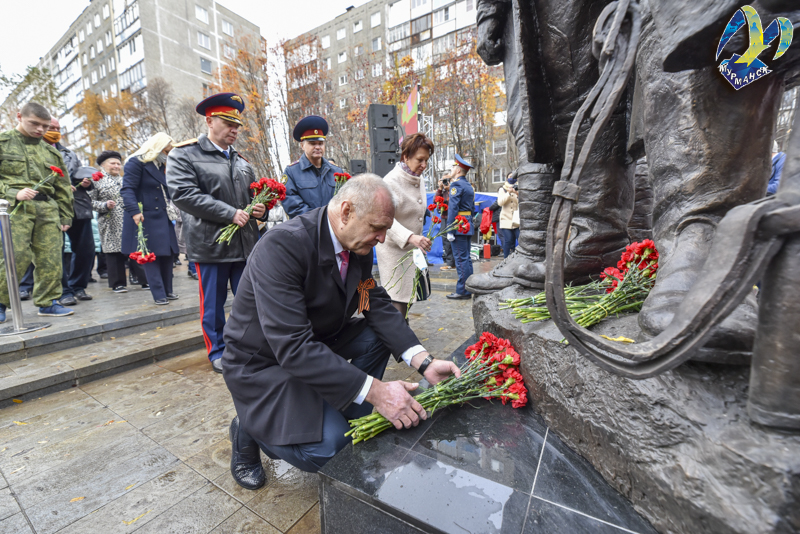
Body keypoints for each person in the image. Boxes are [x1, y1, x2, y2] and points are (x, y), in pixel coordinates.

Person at [222, 174, 460, 489]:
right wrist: (377, 392)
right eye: (377, 228)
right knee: (331, 446)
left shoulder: (357, 243)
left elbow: (377, 304)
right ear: (346, 212)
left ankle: (339, 401)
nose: (381, 239)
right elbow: (293, 347)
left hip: (317, 343)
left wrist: (425, 363)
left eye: (385, 231)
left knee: (378, 336)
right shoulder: (282, 246)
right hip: (264, 363)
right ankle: (251, 426)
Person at [168, 92, 267, 374]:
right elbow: (183, 194)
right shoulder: (184, 154)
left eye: (237, 125)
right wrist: (229, 213)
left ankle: (249, 347)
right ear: (210, 121)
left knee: (250, 300)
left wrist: (262, 209)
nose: (235, 129)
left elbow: (252, 197)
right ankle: (218, 351)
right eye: (228, 123)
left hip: (245, 243)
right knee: (212, 304)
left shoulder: (242, 161)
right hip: (210, 244)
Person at [0, 102, 74, 320]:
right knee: (14, 256)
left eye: (44, 125)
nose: (40, 130)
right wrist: (12, 192)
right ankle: (1, 303)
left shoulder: (52, 153)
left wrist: (65, 215)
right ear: (19, 116)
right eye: (35, 124)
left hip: (47, 209)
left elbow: (62, 187)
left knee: (50, 257)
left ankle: (48, 302)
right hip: (14, 210)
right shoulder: (3, 143)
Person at [375, 133, 434, 317]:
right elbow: (383, 219)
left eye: (427, 160)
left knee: (408, 300)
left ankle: (400, 333)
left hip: (412, 250)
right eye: (420, 160)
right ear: (406, 156)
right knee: (397, 301)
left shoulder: (419, 177)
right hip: (393, 252)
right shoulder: (390, 182)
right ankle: (395, 340)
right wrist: (410, 237)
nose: (424, 165)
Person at [121, 133, 179, 305]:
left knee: (168, 254)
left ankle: (168, 290)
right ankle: (159, 294)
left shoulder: (160, 165)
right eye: (166, 150)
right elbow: (127, 189)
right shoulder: (136, 162)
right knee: (151, 257)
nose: (167, 154)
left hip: (162, 215)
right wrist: (134, 212)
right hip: (144, 216)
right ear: (157, 147)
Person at [90, 150, 145, 292]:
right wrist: (103, 205)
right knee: (114, 253)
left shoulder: (124, 179)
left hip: (128, 219)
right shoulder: (96, 181)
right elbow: (89, 201)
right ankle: (118, 283)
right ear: (103, 165)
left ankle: (143, 279)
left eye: (118, 164)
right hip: (110, 221)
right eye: (112, 163)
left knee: (135, 249)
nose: (116, 166)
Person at [281, 115, 343, 218]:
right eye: (312, 143)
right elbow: (293, 206)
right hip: (305, 230)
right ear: (302, 146)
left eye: (321, 143)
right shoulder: (292, 172)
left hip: (334, 229)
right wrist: (321, 220)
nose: (318, 147)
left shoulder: (336, 171)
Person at [445, 155, 475, 300]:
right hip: (467, 224)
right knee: (466, 258)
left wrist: (450, 229)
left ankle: (463, 291)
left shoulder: (456, 185)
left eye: (453, 167)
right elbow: (472, 208)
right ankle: (469, 287)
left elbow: (453, 208)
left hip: (458, 225)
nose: (451, 169)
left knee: (461, 259)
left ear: (458, 170)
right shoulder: (468, 186)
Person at [435, 174, 456, 270]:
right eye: (443, 180)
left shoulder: (454, 189)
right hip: (444, 217)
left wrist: (449, 189)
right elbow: (435, 202)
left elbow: (453, 201)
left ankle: (455, 262)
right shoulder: (442, 191)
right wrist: (439, 189)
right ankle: (449, 263)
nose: (445, 183)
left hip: (454, 217)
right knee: (445, 240)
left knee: (455, 240)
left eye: (447, 180)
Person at [497, 175, 520, 258]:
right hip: (506, 219)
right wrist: (508, 193)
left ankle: (517, 257)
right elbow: (500, 203)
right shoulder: (502, 189)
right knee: (508, 240)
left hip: (516, 220)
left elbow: (521, 203)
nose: (512, 178)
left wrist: (516, 193)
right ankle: (506, 258)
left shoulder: (518, 188)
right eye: (510, 176)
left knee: (520, 239)